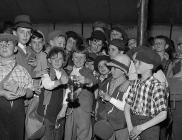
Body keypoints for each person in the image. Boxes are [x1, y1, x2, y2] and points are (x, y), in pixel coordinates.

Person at [124, 47, 168, 140]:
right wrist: (130, 127)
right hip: (134, 121)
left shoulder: (156, 86)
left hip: (150, 126)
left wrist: (140, 128)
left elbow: (163, 114)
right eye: (135, 62)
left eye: (139, 62)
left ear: (150, 66)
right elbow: (127, 107)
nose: (135, 65)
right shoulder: (135, 83)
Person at [0, 33, 33, 140]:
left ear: (15, 49)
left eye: (8, 44)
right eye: (1, 44)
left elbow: (30, 91)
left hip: (18, 111)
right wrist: (3, 93)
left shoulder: (22, 70)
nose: (4, 46)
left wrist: (23, 92)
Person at [64, 45, 97, 140]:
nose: (78, 60)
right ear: (72, 58)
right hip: (70, 109)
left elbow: (94, 80)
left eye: (81, 57)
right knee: (69, 133)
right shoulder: (68, 72)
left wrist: (86, 80)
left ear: (85, 59)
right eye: (76, 57)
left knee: (83, 134)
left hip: (83, 108)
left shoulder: (87, 71)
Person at [94, 55, 131, 140]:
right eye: (111, 68)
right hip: (108, 123)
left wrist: (110, 99)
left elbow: (125, 106)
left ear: (123, 71)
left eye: (115, 69)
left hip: (121, 125)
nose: (112, 71)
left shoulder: (127, 85)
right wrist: (102, 96)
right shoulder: (108, 81)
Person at [37, 47, 69, 140]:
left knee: (58, 136)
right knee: (47, 137)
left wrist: (64, 109)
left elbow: (68, 92)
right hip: (46, 113)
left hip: (60, 112)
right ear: (49, 60)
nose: (57, 61)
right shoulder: (46, 72)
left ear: (64, 61)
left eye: (60, 59)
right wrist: (59, 82)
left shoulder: (65, 74)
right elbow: (47, 85)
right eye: (54, 59)